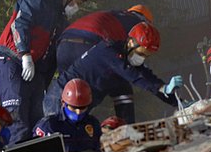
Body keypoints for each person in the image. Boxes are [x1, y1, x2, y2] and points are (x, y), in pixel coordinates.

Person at [0, 0, 89, 145]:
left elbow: (52, 54)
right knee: (18, 122)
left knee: (38, 124)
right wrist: (25, 55)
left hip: (35, 70)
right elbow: (20, 23)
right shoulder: (37, 1)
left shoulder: (60, 20)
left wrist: (46, 85)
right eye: (77, 3)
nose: (76, 8)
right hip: (13, 63)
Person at [44, 22, 183, 117]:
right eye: (141, 53)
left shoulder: (125, 57)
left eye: (146, 56)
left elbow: (148, 78)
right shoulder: (109, 51)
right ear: (130, 42)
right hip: (61, 97)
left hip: (81, 102)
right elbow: (134, 77)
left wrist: (178, 102)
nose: (142, 58)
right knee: (57, 140)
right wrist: (163, 88)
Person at [56, 5, 154, 123]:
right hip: (88, 44)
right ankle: (127, 130)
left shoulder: (112, 16)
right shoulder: (136, 25)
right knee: (117, 86)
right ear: (145, 21)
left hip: (63, 48)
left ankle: (60, 127)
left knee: (71, 92)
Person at [34, 79, 102, 152]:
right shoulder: (49, 126)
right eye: (73, 107)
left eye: (82, 108)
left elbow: (98, 151)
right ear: (63, 103)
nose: (78, 112)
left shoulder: (93, 124)